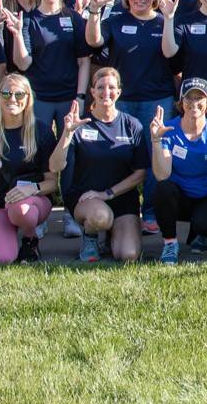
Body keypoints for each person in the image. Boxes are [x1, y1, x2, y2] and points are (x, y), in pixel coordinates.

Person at [87, 0, 179, 233]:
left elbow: (172, 55)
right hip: (121, 101)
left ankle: (149, 212)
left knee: (153, 158)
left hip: (156, 99)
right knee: (116, 156)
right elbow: (94, 41)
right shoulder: (116, 21)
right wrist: (94, 12)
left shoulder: (164, 21)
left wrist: (170, 19)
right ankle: (116, 209)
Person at [15, 0, 92, 238]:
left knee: (69, 156)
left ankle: (71, 213)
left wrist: (81, 97)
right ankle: (40, 211)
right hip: (39, 99)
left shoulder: (74, 19)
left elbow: (84, 62)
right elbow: (22, 62)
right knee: (37, 155)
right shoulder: (28, 20)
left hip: (69, 98)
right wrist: (15, 33)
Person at [49, 67, 148, 262]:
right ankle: (91, 236)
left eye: (112, 87)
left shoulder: (132, 125)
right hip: (86, 198)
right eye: (100, 87)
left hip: (121, 197)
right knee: (101, 217)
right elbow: (55, 166)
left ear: (119, 92)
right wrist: (67, 134)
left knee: (128, 255)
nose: (106, 92)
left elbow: (140, 173)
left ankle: (112, 235)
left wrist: (108, 193)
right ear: (92, 91)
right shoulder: (80, 125)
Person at [0, 73, 55, 263]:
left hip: (31, 201)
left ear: (28, 98)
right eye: (6, 93)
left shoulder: (41, 131)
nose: (12, 99)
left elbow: (52, 183)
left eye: (19, 94)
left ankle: (29, 239)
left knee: (22, 210)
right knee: (2, 258)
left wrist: (32, 189)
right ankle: (4, 236)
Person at [148, 78, 207, 265]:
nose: (194, 103)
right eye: (188, 98)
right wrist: (156, 141)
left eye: (199, 98)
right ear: (181, 102)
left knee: (206, 224)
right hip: (179, 196)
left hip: (206, 195)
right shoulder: (168, 129)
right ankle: (170, 243)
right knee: (163, 188)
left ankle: (201, 233)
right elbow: (162, 175)